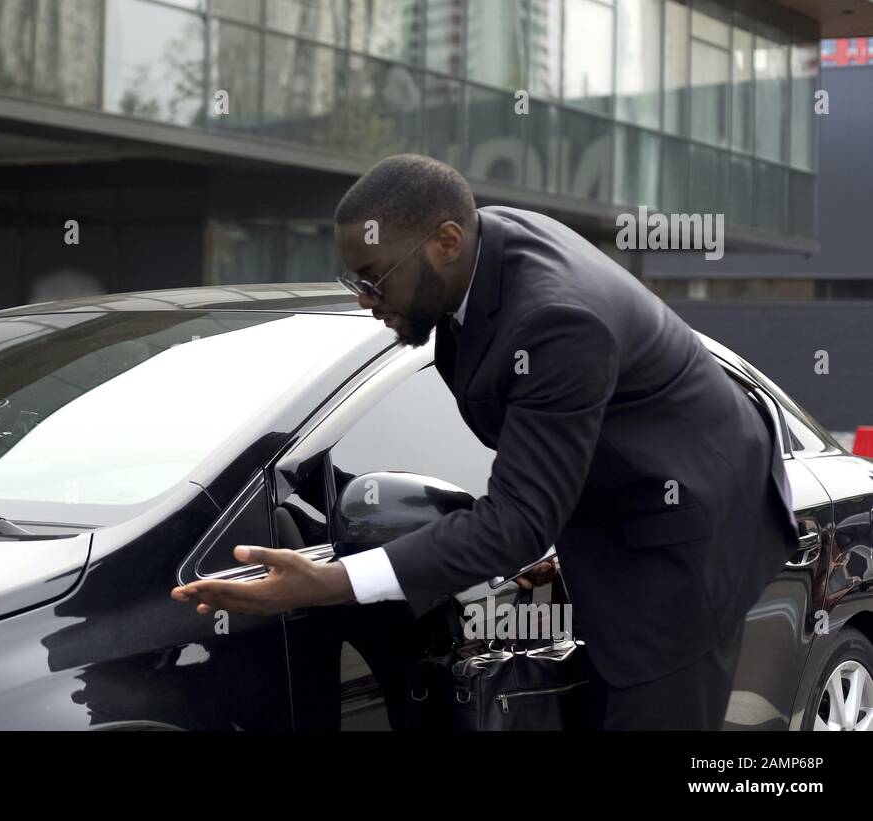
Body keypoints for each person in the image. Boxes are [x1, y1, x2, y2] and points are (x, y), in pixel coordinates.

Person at [170, 154, 799, 730]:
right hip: (622, 511)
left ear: (446, 242)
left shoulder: (556, 321)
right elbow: (547, 455)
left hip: (689, 541)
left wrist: (327, 582)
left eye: (375, 278)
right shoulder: (479, 249)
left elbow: (517, 520)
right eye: (354, 280)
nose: (367, 302)